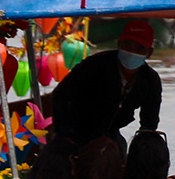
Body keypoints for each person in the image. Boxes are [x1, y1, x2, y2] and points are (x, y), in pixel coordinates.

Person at [46, 20, 163, 148]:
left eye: (140, 49)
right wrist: (63, 134)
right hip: (76, 131)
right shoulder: (94, 65)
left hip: (112, 134)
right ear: (119, 44)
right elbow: (60, 95)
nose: (132, 52)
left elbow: (149, 122)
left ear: (149, 53)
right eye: (127, 45)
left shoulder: (150, 80)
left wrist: (145, 145)